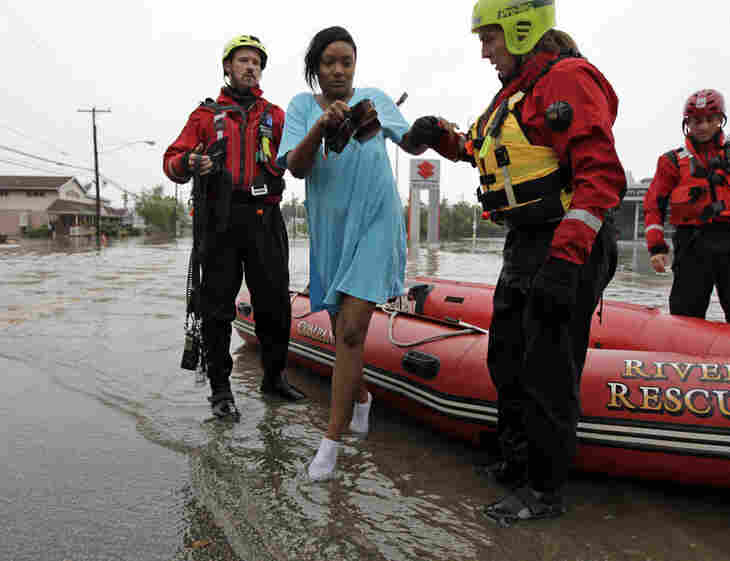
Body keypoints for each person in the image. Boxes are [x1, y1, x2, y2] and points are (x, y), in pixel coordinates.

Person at [407, 0, 625, 523]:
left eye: (490, 39)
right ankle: (517, 460)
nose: (484, 51)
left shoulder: (566, 80)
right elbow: (478, 147)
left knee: (548, 368)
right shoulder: (514, 94)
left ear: (521, 29)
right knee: (507, 358)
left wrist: (566, 261)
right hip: (526, 241)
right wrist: (436, 134)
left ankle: (544, 491)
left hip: (567, 240)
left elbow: (600, 177)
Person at [278, 26, 426, 481]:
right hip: (331, 231)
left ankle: (330, 442)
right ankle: (361, 398)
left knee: (352, 331)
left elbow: (411, 142)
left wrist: (433, 133)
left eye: (346, 62)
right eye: (329, 63)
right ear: (315, 69)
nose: (339, 70)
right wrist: (322, 126)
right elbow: (296, 166)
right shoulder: (302, 108)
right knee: (343, 328)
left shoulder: (375, 99)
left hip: (377, 222)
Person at [163, 34, 304, 421]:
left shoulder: (276, 115)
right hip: (219, 221)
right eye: (242, 60)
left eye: (256, 61)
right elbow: (172, 160)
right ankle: (221, 389)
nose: (250, 66)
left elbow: (301, 155)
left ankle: (274, 378)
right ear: (228, 67)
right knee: (217, 309)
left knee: (275, 304)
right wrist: (191, 162)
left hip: (266, 219)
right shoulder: (205, 117)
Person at [643, 89, 730, 327]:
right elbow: (654, 206)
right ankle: (682, 358)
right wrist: (656, 247)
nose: (703, 126)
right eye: (696, 120)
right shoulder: (671, 162)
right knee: (684, 319)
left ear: (721, 120)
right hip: (692, 247)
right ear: (687, 123)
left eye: (710, 119)